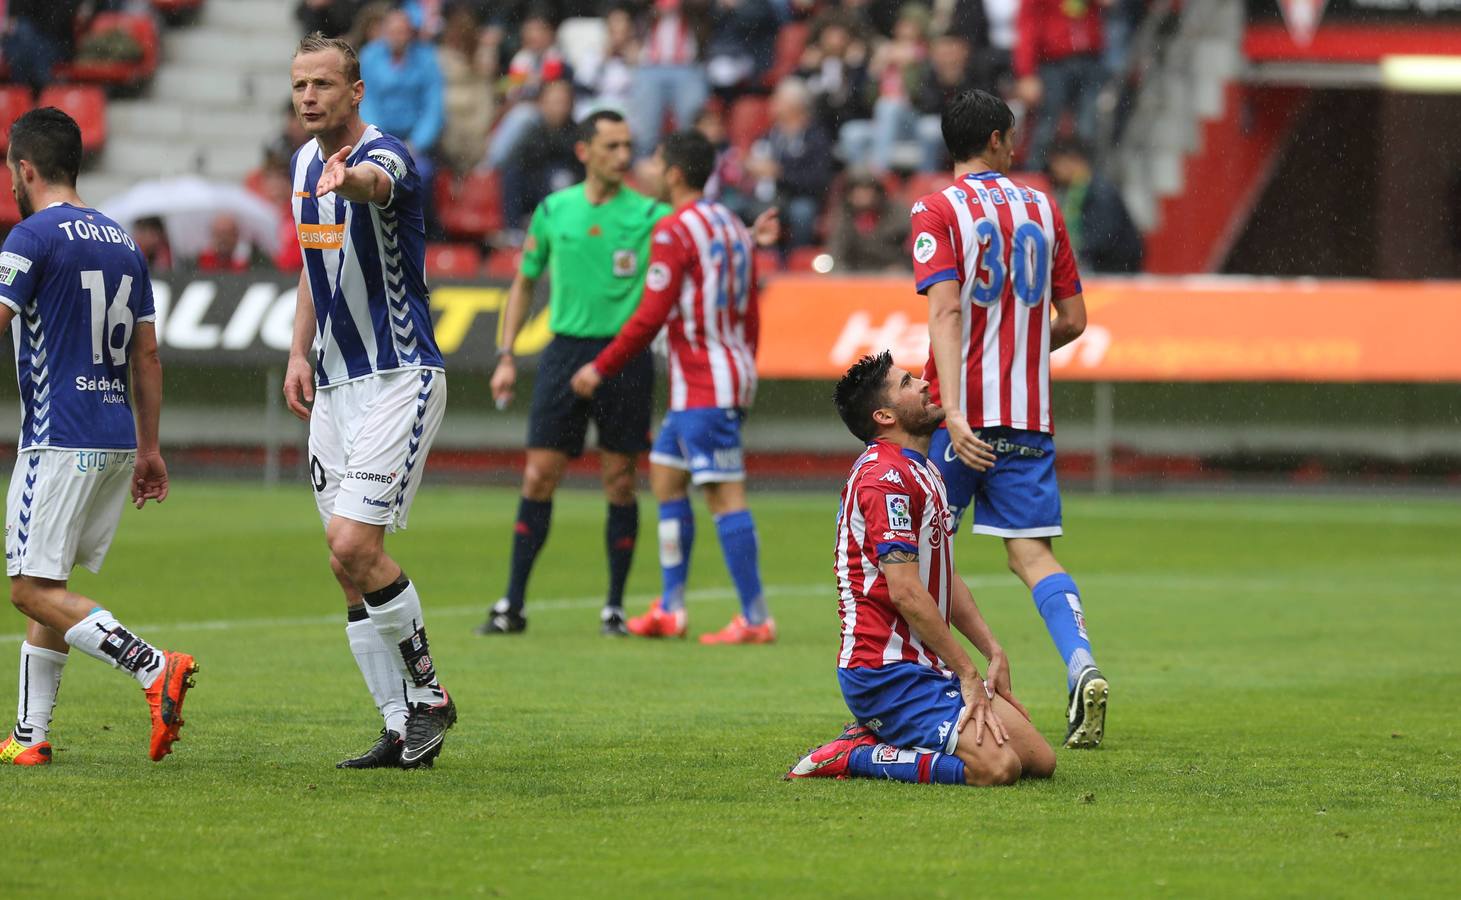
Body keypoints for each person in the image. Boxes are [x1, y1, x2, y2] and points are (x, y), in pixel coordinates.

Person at [910, 89, 1108, 748]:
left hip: (955, 418)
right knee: (1030, 553)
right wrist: (1020, 346)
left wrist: (956, 412)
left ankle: (930, 690)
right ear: (997, 139)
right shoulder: (1042, 206)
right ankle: (1081, 664)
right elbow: (1074, 320)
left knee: (914, 555)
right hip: (1026, 414)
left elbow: (943, 311)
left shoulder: (936, 210)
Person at [0, 108, 196, 767]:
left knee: (28, 587)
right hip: (114, 437)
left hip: (59, 437)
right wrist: (149, 449)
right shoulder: (121, 241)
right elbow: (147, 357)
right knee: (48, 583)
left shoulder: (30, 236)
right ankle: (30, 736)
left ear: (24, 169)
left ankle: (150, 665)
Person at [284, 33, 456, 769]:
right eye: (299, 86)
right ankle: (398, 725)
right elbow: (311, 258)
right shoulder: (299, 163)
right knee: (343, 563)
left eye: (323, 84)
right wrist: (298, 349)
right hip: (333, 385)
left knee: (356, 544)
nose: (309, 97)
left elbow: (376, 185)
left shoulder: (389, 154)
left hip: (400, 376)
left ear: (356, 91)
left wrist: (346, 180)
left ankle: (432, 696)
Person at [786, 351, 1056, 785]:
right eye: (908, 382)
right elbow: (907, 593)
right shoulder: (883, 480)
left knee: (1040, 761)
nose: (925, 384)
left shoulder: (925, 470)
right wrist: (967, 671)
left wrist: (992, 650)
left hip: (928, 667)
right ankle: (857, 754)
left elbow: (944, 579)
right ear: (885, 415)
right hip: (884, 674)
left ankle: (885, 735)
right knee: (997, 768)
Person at [569, 129, 774, 645]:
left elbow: (650, 315)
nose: (647, 170)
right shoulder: (730, 223)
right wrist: (745, 363)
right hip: (718, 377)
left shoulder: (675, 229)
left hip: (707, 383)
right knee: (665, 477)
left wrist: (602, 365)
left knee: (725, 496)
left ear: (675, 173)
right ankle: (672, 607)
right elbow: (750, 306)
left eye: (656, 162)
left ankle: (755, 618)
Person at [478, 109, 667, 638]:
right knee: (539, 475)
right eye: (610, 146)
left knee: (620, 481)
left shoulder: (650, 215)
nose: (622, 156)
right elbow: (523, 282)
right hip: (564, 353)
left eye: (627, 145)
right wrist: (507, 354)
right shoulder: (554, 211)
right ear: (584, 152)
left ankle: (613, 607)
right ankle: (511, 604)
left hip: (625, 355)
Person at [1046, 137, 1142, 273]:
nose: (1054, 171)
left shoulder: (1100, 191)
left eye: (1057, 164)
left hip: (1115, 267)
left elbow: (1103, 236)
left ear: (1073, 161)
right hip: (1102, 264)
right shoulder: (1078, 189)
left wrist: (1073, 251)